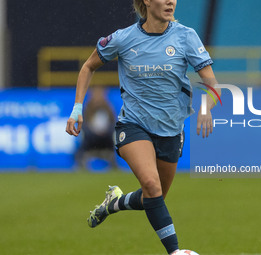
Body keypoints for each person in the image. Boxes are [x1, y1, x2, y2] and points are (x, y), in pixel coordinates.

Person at [65, 0, 221, 254]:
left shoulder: (186, 36)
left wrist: (205, 108)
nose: (171, 1)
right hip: (133, 126)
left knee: (153, 198)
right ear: (147, 1)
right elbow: (88, 66)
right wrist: (77, 108)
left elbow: (214, 85)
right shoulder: (123, 38)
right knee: (151, 184)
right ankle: (175, 251)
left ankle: (113, 203)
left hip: (171, 130)